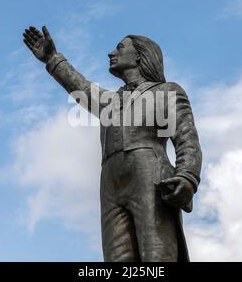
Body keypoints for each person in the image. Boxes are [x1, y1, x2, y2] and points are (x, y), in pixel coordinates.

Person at [23, 26, 202, 262]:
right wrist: (52, 58)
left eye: (119, 47)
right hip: (110, 184)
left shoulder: (165, 92)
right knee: (117, 258)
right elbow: (81, 87)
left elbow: (186, 139)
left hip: (149, 177)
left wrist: (188, 176)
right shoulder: (110, 102)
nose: (111, 52)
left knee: (157, 256)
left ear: (139, 55)